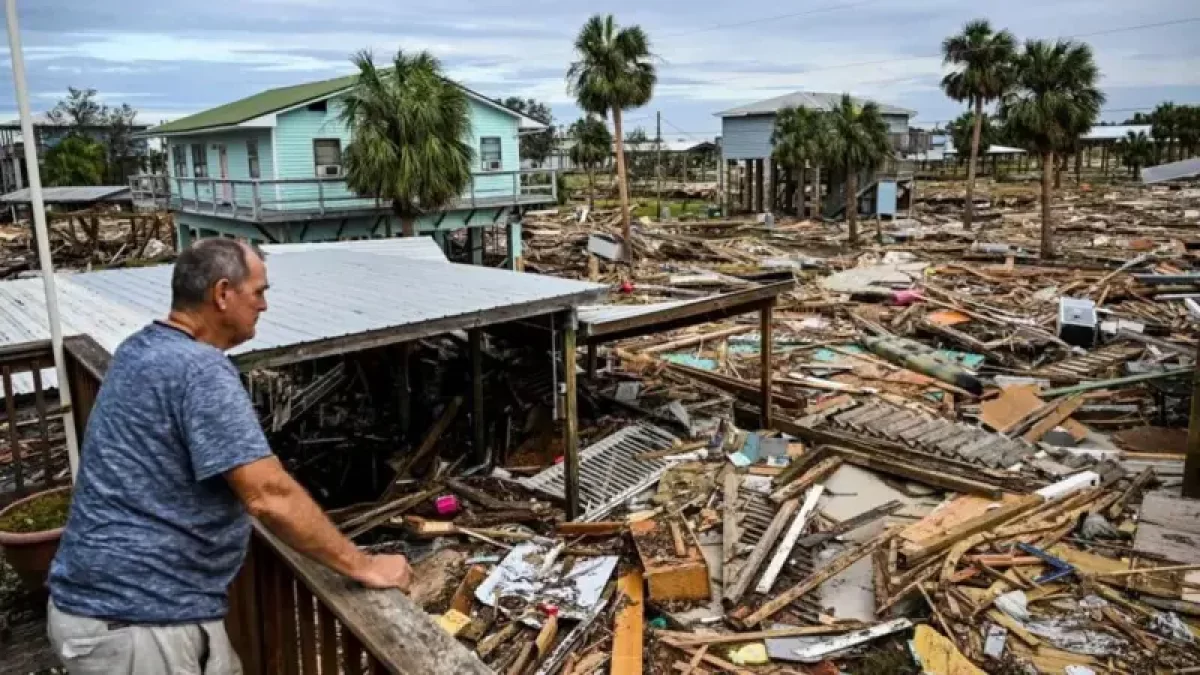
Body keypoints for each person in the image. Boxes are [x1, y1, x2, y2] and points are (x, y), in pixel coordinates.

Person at [46, 239, 411, 674]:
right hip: (138, 621)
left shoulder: (140, 349)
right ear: (222, 294)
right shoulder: (200, 370)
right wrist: (364, 565)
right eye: (258, 292)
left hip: (119, 611)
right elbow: (268, 494)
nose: (264, 306)